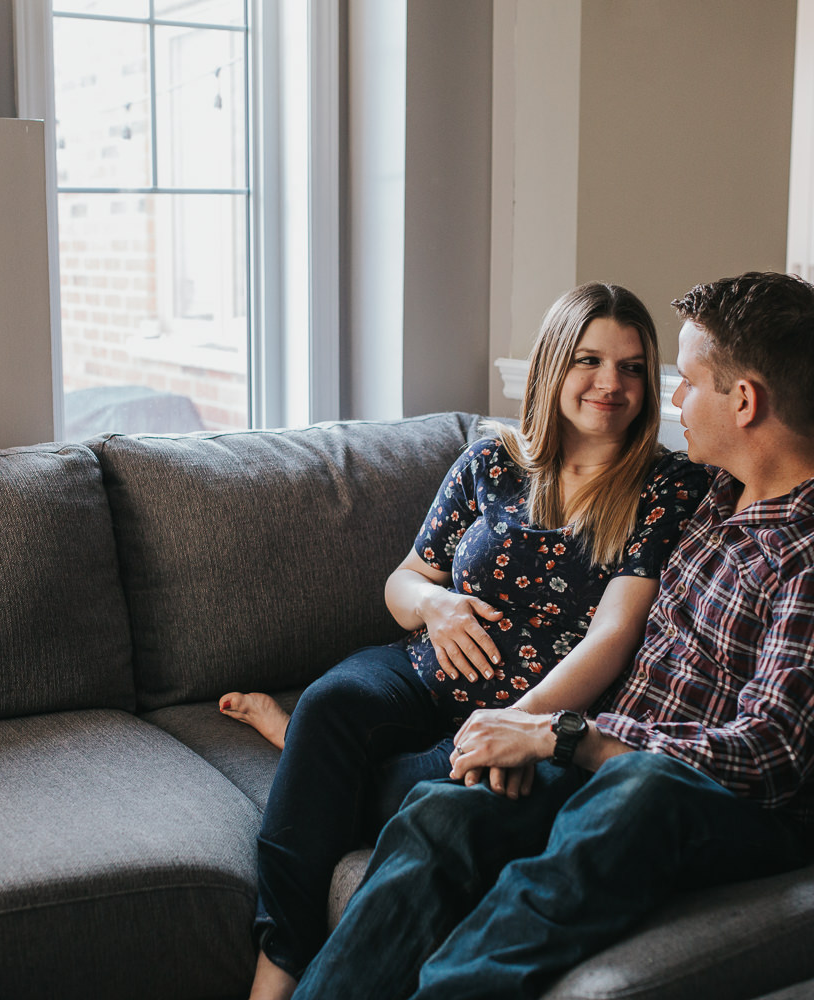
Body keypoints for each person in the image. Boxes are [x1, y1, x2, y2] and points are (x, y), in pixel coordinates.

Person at [288, 271, 814, 1000]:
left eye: (687, 381)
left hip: (727, 805)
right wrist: (555, 741)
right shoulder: (716, 494)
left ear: (744, 402)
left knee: (641, 788)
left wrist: (560, 735)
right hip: (615, 758)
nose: (673, 400)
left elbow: (774, 753)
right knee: (447, 812)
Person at [219, 282, 711, 1000]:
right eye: (589, 360)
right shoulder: (491, 464)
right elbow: (403, 583)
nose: (612, 384)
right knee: (333, 703)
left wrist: (517, 721)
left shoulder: (667, 488)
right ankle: (275, 973)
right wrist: (437, 605)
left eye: (633, 367)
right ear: (549, 367)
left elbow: (614, 634)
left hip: (527, 703)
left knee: (426, 788)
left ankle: (303, 754)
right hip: (421, 670)